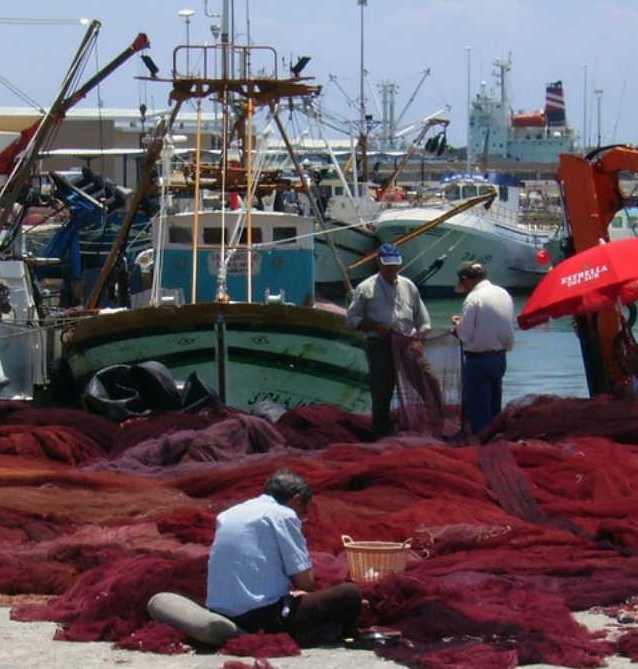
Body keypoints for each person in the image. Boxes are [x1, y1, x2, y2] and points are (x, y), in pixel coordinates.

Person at [206, 469, 363, 647]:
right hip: (261, 619)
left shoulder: (227, 515)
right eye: (303, 510)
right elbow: (305, 582)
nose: (302, 516)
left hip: (220, 612)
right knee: (350, 594)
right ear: (295, 499)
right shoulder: (282, 515)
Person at [345, 243, 440, 437]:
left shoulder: (409, 286)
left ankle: (438, 422)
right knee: (382, 392)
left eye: (395, 264)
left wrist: (420, 340)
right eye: (388, 264)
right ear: (378, 262)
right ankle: (380, 433)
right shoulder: (366, 288)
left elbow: (424, 321)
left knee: (430, 380)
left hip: (408, 344)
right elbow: (351, 319)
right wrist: (375, 326)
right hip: (380, 346)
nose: (392, 268)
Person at [452, 261, 515, 434]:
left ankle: (482, 450)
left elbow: (465, 333)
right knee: (495, 411)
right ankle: (496, 444)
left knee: (479, 412)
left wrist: (456, 327)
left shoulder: (474, 298)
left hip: (478, 361)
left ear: (465, 280)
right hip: (500, 358)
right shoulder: (503, 293)